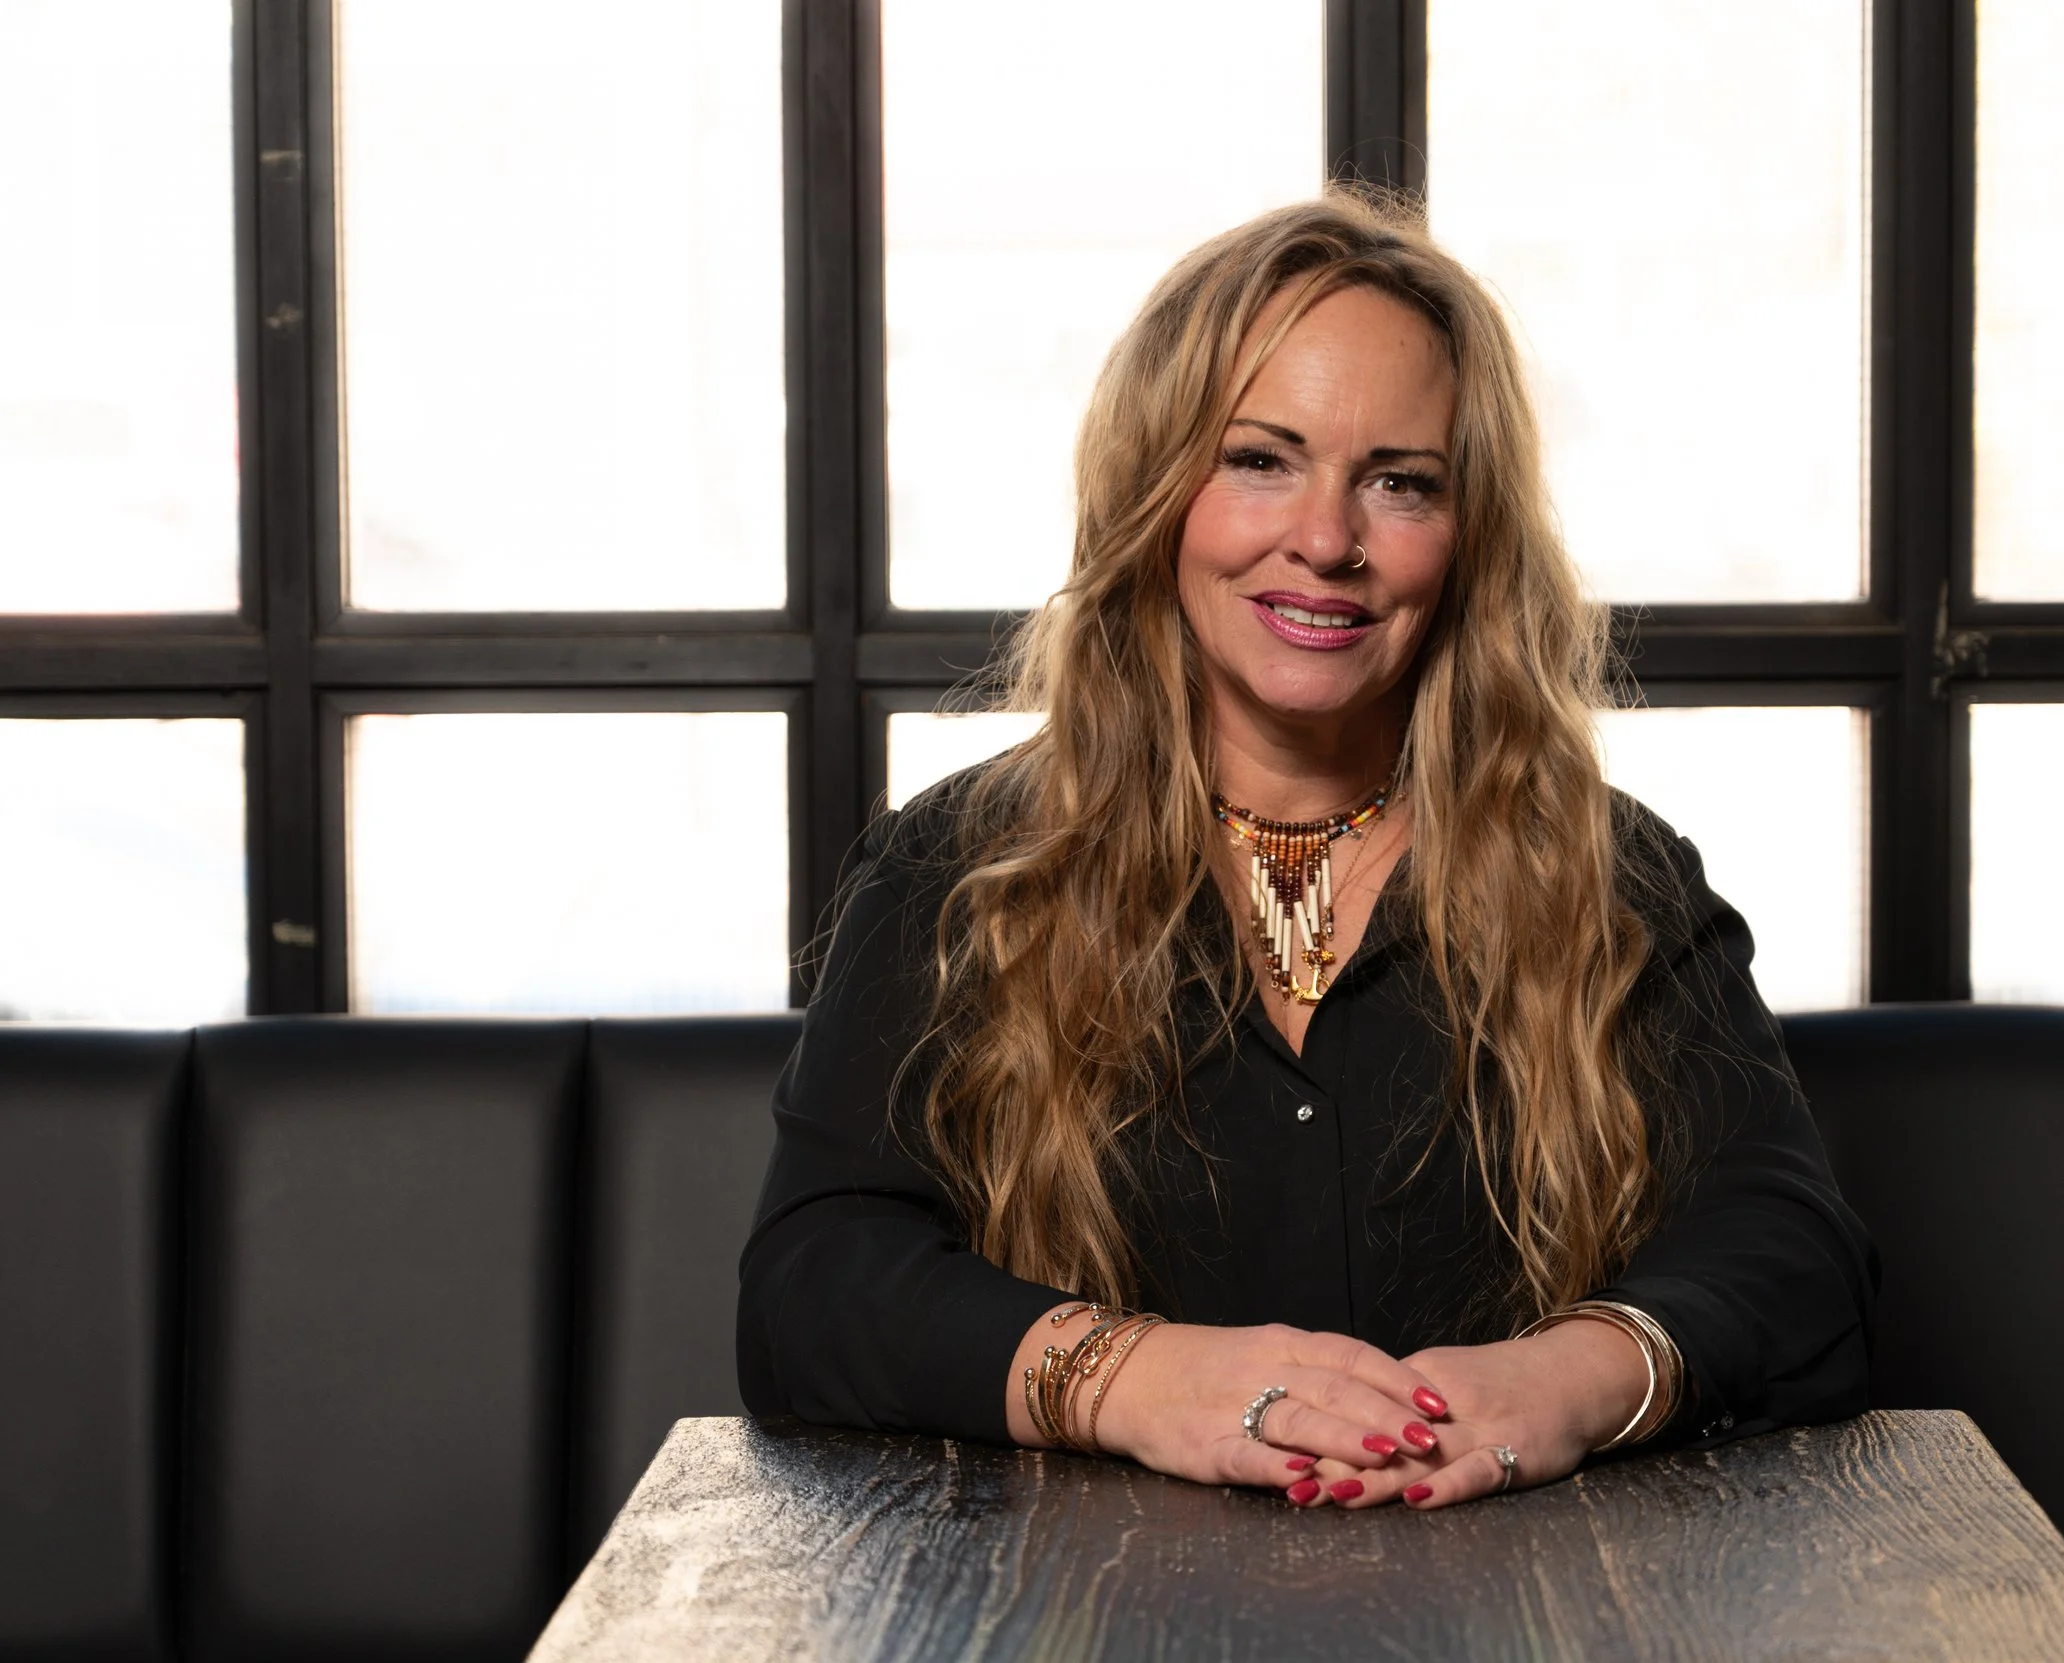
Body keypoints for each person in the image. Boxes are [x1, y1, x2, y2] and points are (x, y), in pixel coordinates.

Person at [739, 191, 1874, 1511]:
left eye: (1400, 481)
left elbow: (1798, 1260)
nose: (1328, 540)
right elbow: (810, 1286)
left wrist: (1564, 1380)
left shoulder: (1613, 879)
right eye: (1260, 459)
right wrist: (1140, 1377)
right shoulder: (959, 870)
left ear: (1468, 537)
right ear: (1157, 489)